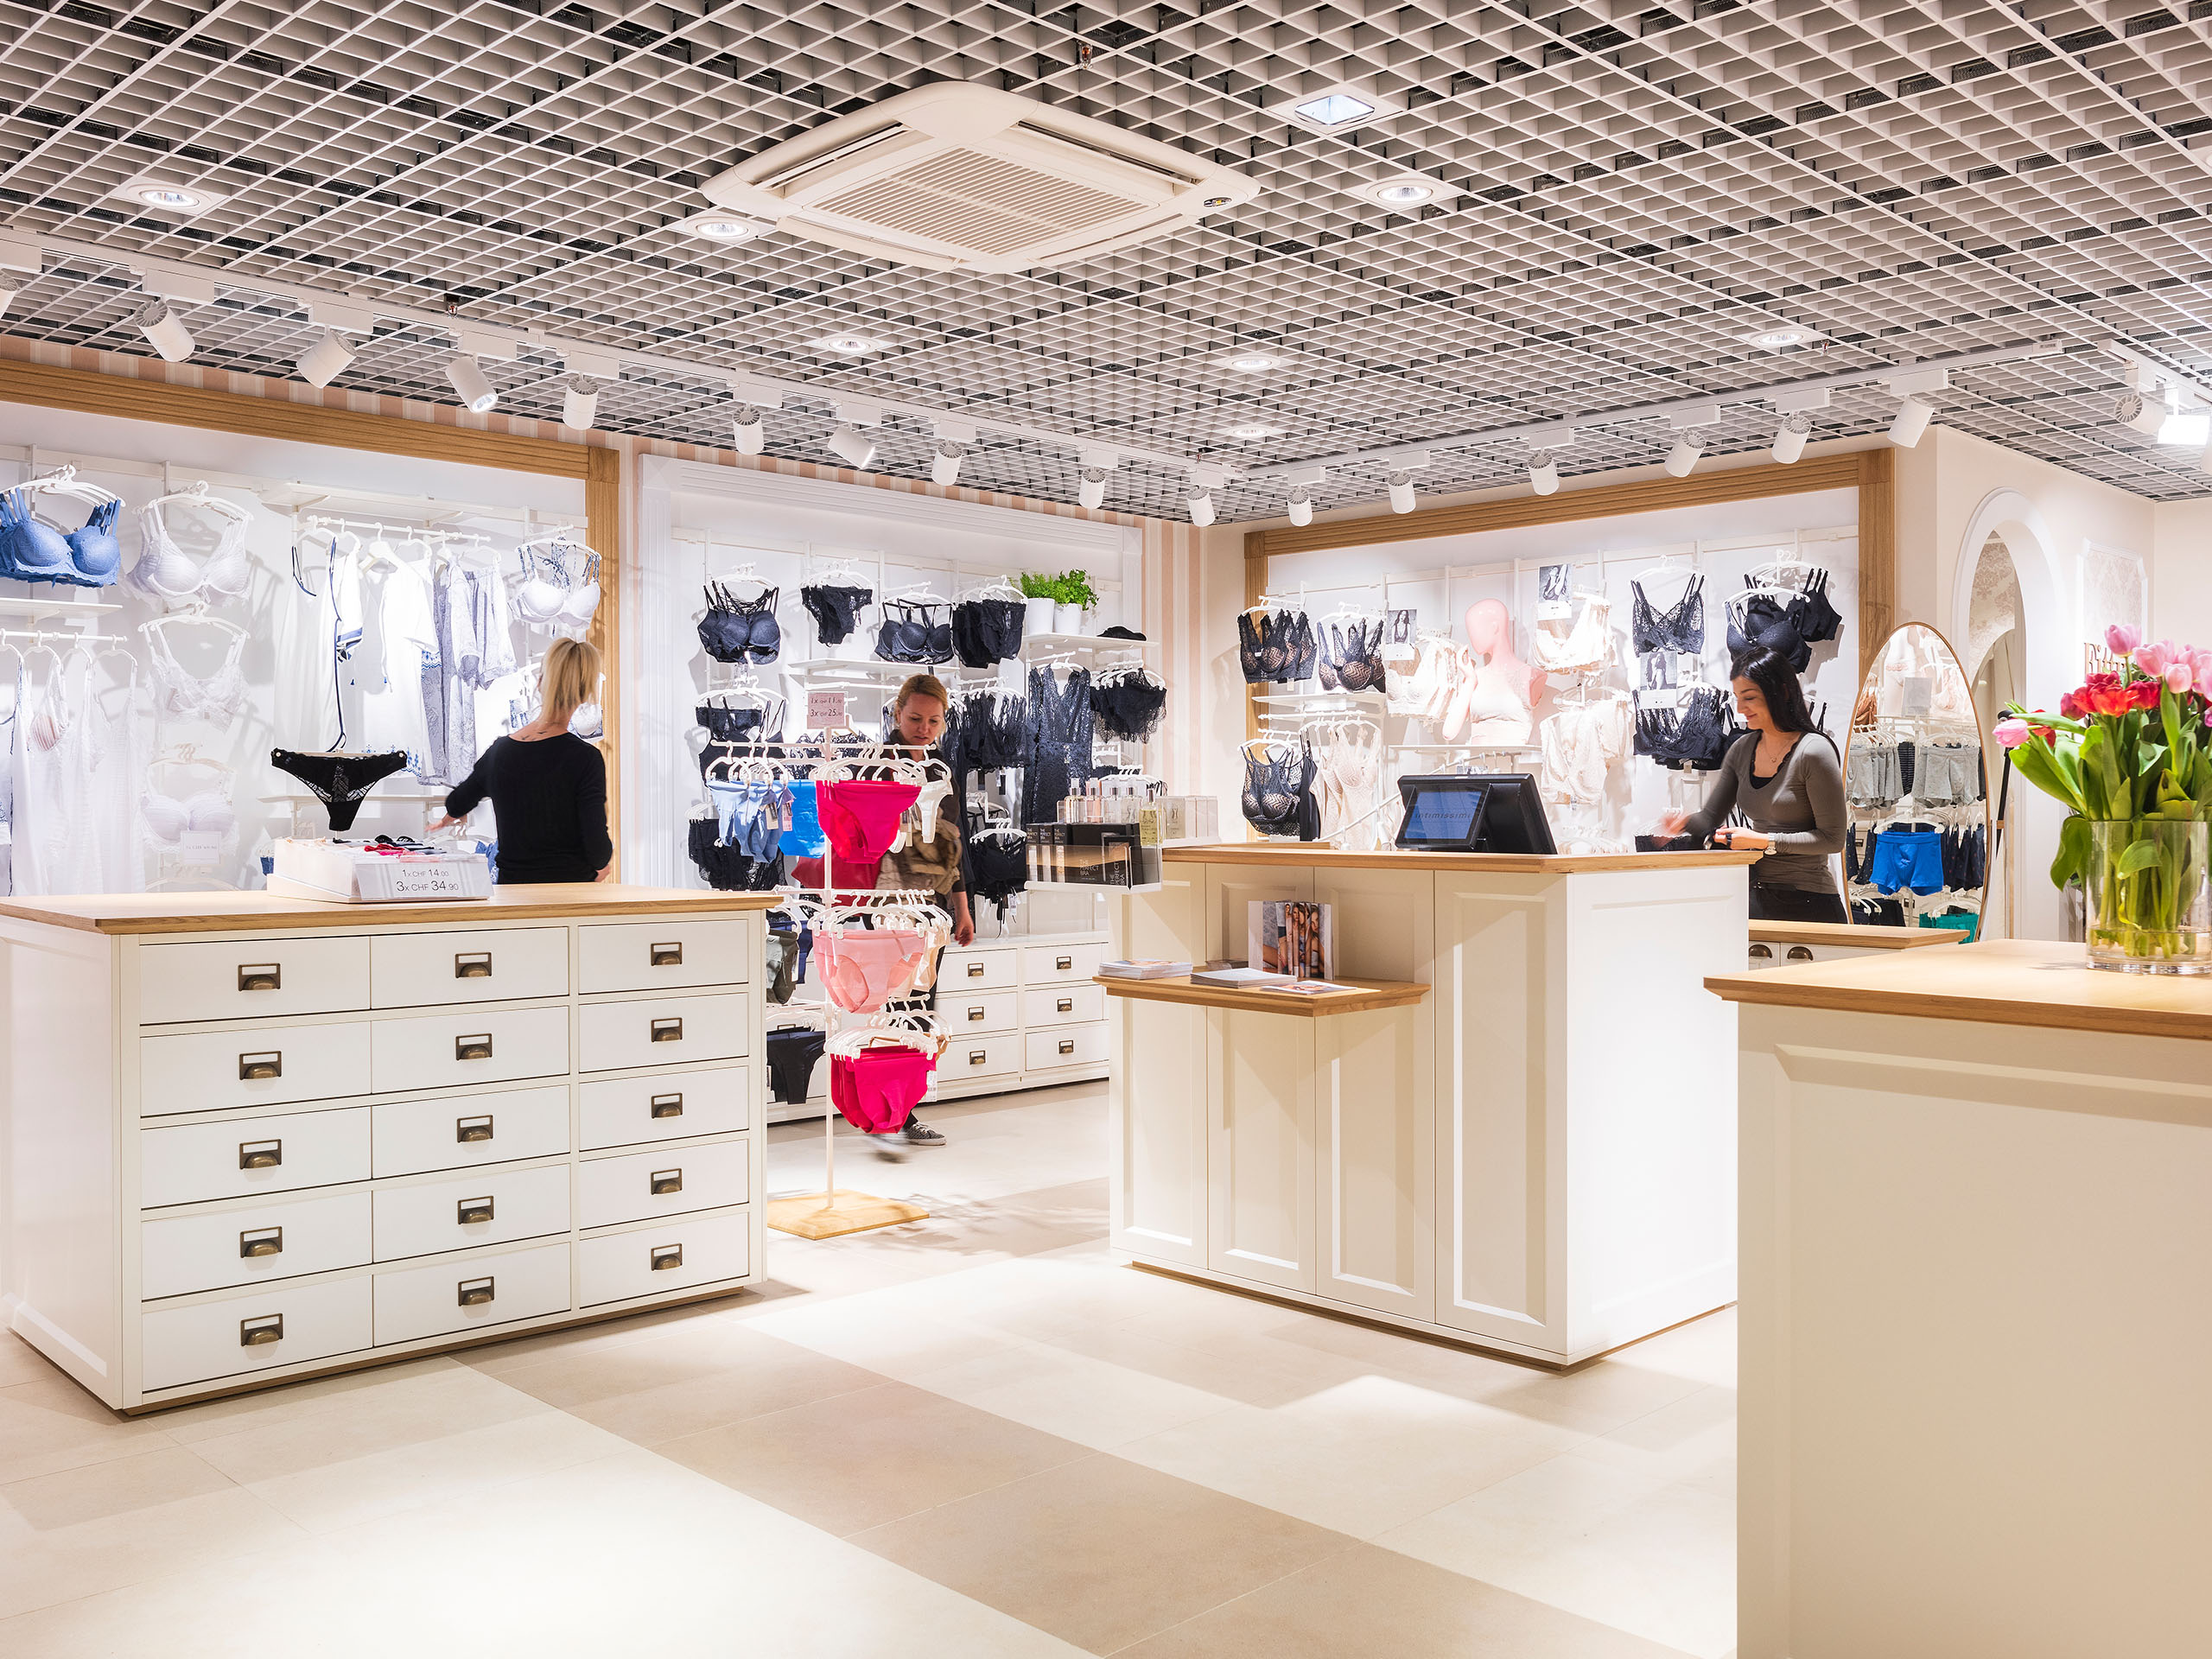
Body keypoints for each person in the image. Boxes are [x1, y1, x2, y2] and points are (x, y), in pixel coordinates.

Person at [1653, 646, 1847, 924]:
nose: (1740, 709)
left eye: (1750, 698)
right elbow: (1710, 818)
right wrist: (1682, 823)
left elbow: (1833, 839)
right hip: (1754, 896)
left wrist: (1764, 841)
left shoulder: (1814, 751)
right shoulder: (1742, 749)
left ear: (1782, 692)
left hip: (1809, 899)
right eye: (1737, 698)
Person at [868, 674, 975, 1149]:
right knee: (891, 1006)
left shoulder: (942, 770)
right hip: (887, 902)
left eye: (934, 721)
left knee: (921, 1007)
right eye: (915, 718)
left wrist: (962, 908)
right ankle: (885, 1110)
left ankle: (904, 1110)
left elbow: (955, 845)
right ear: (897, 713)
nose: (924, 728)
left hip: (932, 907)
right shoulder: (876, 766)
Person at [428, 637, 613, 884]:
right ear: (584, 693)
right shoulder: (585, 758)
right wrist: (601, 866)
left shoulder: (500, 752)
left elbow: (458, 801)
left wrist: (448, 817)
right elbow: (598, 849)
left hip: (513, 891)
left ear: (540, 683)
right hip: (568, 891)